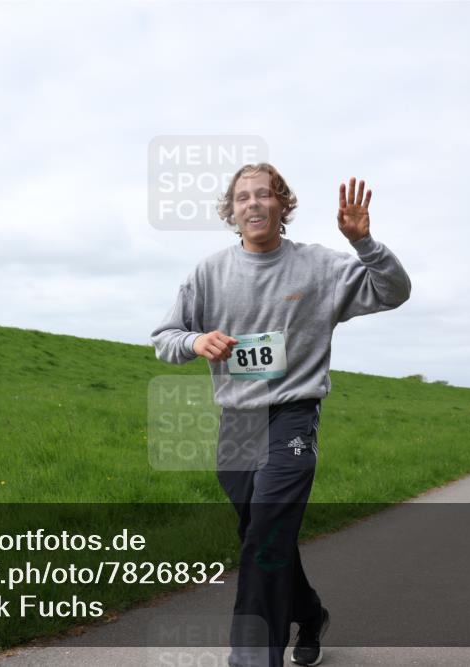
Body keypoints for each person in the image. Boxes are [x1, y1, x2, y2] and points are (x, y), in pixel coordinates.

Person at [150, 163, 412, 667]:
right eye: (242, 197)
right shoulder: (209, 273)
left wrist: (364, 243)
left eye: (264, 194)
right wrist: (196, 341)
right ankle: (309, 615)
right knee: (262, 537)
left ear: (282, 205)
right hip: (236, 421)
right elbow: (165, 338)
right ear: (231, 210)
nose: (253, 203)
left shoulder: (320, 266)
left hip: (293, 414)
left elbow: (393, 292)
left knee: (266, 533)